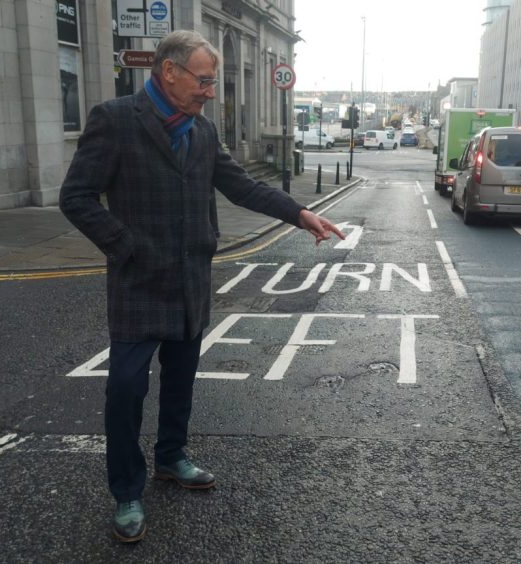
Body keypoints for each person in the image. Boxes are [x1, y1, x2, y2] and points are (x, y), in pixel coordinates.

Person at [59, 30, 344, 543]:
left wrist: (300, 214)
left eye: (212, 81)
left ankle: (172, 456)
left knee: (181, 380)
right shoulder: (116, 119)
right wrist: (128, 249)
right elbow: (76, 197)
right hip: (138, 281)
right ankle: (126, 491)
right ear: (170, 72)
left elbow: (242, 186)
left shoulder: (202, 131)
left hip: (190, 279)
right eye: (205, 80)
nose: (210, 90)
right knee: (125, 388)